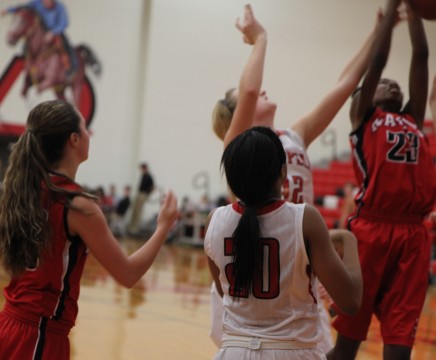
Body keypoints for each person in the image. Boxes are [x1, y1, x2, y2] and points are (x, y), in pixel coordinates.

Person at [210, 4, 381, 352]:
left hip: (298, 263)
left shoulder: (294, 134)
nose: (260, 91)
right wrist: (260, 39)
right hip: (265, 274)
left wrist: (379, 31)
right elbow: (247, 91)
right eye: (250, 93)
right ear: (235, 116)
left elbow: (346, 84)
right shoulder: (239, 144)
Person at [0, 100, 178, 359]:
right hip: (40, 335)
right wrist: (163, 227)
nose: (88, 134)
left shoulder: (24, 190)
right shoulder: (77, 204)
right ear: (74, 139)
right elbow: (127, 275)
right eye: (85, 127)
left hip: (10, 325)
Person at [327, 1, 436, 359]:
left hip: (413, 236)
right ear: (362, 101)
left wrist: (415, 10)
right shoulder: (364, 119)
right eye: (380, 84)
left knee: (400, 346)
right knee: (346, 348)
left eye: (393, 82)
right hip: (370, 233)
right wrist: (391, 8)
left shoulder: (413, 119)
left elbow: (420, 54)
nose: (390, 81)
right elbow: (377, 62)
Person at [204, 126, 362, 360]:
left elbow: (222, 289)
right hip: (292, 351)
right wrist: (348, 240)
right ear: (283, 171)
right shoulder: (305, 219)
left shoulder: (214, 221)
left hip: (233, 351)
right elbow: (351, 301)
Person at [1, 0, 77, 80]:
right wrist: (8, 10)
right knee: (26, 47)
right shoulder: (36, 3)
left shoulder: (60, 7)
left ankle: (71, 70)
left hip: (56, 32)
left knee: (67, 47)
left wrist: (53, 32)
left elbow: (64, 22)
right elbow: (23, 7)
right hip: (41, 31)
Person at [128, 162, 155, 237]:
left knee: (138, 212)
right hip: (139, 194)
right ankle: (131, 227)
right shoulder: (143, 175)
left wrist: (147, 195)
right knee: (135, 211)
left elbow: (153, 188)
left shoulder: (149, 177)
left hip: (143, 195)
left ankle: (134, 229)